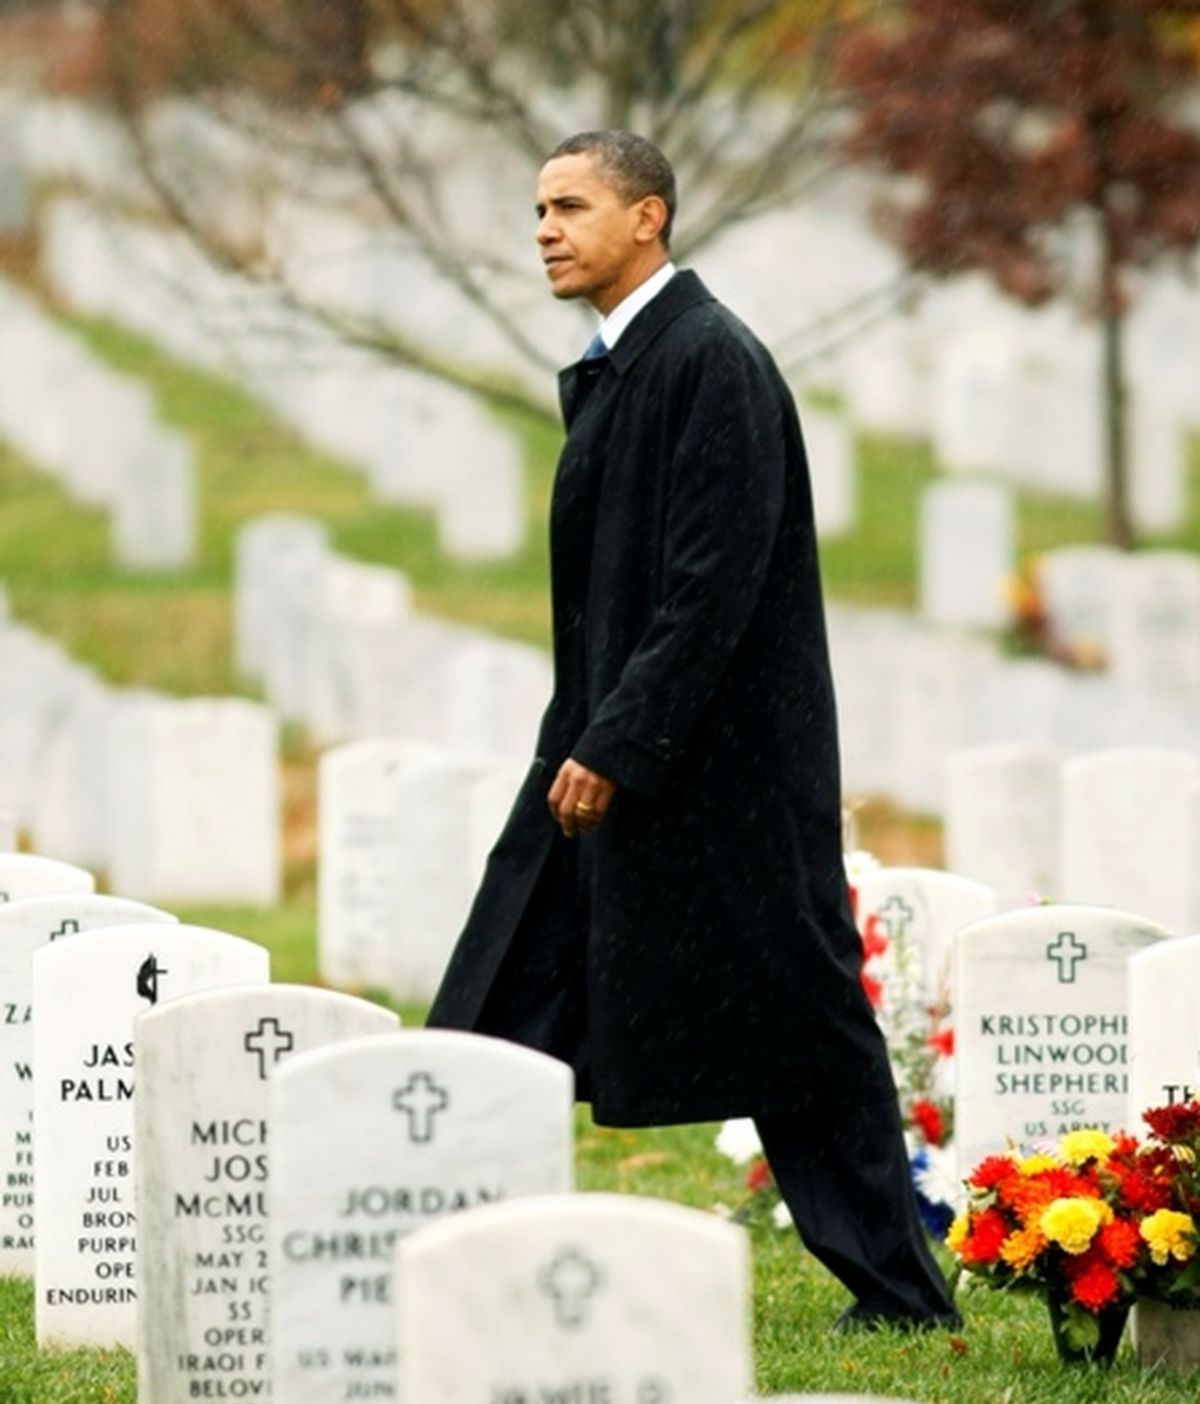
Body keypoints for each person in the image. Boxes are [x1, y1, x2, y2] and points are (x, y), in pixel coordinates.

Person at [428, 130, 959, 1331]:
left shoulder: (708, 359)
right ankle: (408, 1250)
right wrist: (602, 738)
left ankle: (897, 1293)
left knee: (797, 1029)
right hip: (609, 747)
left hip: (714, 773)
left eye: (570, 207)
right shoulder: (634, 358)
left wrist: (624, 745)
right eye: (537, 211)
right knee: (494, 998)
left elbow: (710, 584)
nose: (544, 230)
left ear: (649, 219)